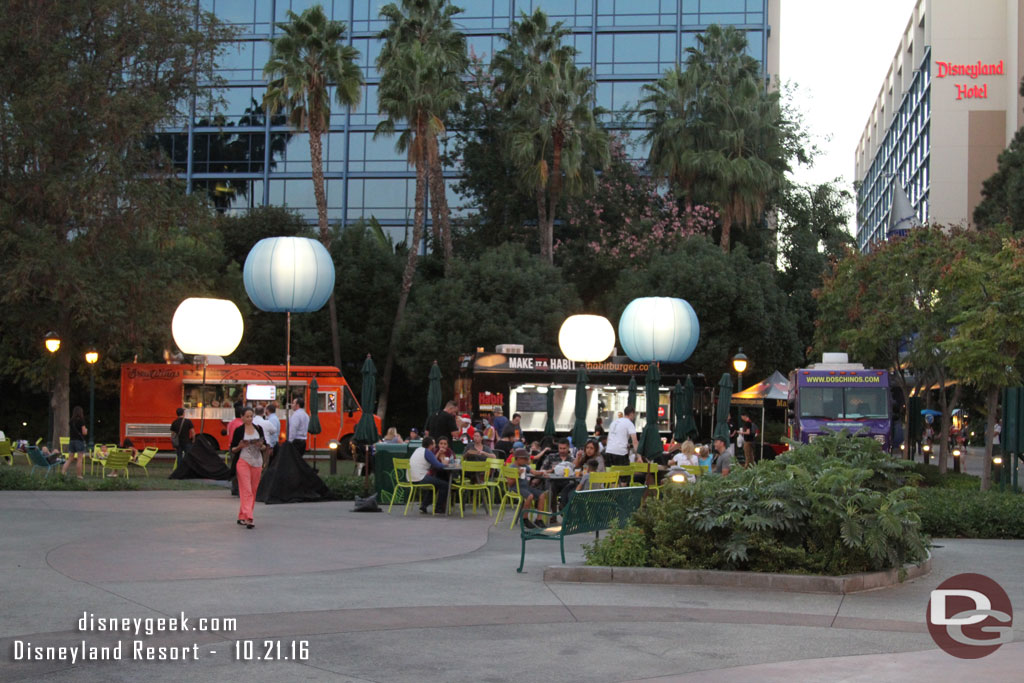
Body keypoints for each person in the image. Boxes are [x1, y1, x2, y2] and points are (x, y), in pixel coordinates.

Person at [229, 407, 266, 529]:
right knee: (246, 490)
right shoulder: (239, 431)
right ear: (242, 417)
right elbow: (233, 449)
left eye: (251, 416)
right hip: (243, 461)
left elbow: (264, 446)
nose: (249, 419)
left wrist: (260, 445)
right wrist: (240, 446)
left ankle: (242, 515)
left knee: (253, 490)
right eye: (247, 416)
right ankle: (249, 517)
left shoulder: (258, 429)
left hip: (257, 462)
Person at [408, 436, 448, 514]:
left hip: (411, 478)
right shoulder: (427, 452)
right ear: (430, 445)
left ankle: (424, 505)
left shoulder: (418, 450)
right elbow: (438, 465)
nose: (434, 446)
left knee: (436, 483)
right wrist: (446, 464)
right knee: (445, 485)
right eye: (434, 444)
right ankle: (438, 508)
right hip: (420, 477)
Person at [510, 448, 548, 529]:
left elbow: (534, 472)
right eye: (525, 459)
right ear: (519, 459)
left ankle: (539, 519)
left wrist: (543, 472)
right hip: (516, 488)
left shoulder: (524, 466)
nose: (527, 460)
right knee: (529, 496)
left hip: (526, 487)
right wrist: (517, 475)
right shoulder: (511, 467)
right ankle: (525, 518)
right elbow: (509, 484)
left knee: (542, 495)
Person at [62, 405, 87, 479]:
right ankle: (79, 475)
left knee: (70, 458)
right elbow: (84, 432)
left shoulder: (71, 421)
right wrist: (86, 431)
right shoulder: (81, 421)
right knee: (79, 459)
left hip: (72, 441)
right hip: (79, 441)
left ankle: (63, 472)